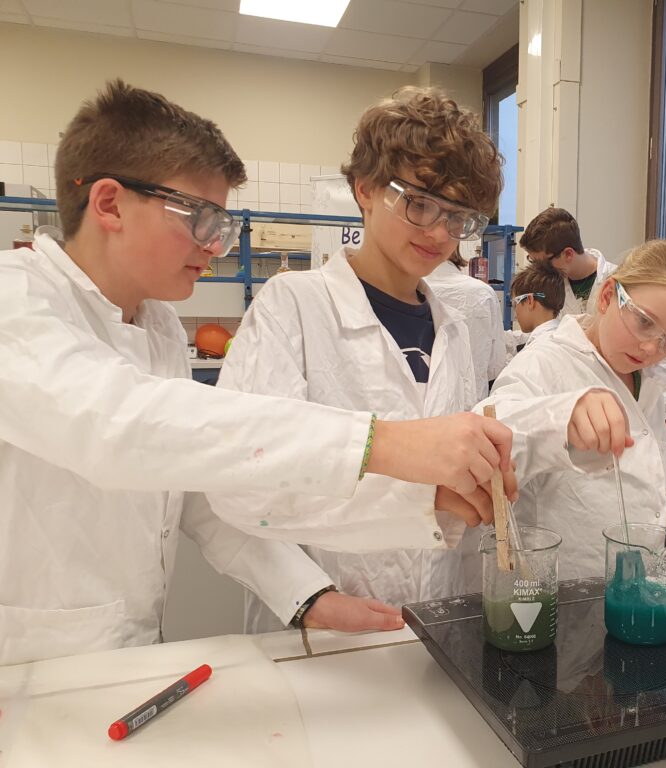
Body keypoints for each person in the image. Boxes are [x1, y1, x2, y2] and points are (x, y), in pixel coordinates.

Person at [0, 81, 514, 665]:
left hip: (125, 654)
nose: (215, 246)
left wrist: (305, 593)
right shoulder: (14, 297)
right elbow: (114, 425)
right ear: (110, 203)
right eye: (199, 218)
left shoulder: (157, 326)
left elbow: (202, 486)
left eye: (220, 223)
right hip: (24, 666)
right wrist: (383, 442)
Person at [209, 87, 509, 631]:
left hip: (429, 624)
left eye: (459, 217)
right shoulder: (292, 306)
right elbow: (242, 478)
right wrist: (306, 597)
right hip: (319, 626)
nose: (439, 233)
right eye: (420, 203)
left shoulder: (454, 329)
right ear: (365, 189)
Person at [476, 239, 666, 580]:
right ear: (607, 297)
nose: (651, 347)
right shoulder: (546, 361)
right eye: (644, 321)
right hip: (559, 589)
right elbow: (485, 433)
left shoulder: (646, 379)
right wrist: (560, 416)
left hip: (632, 587)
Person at [521, 207, 666, 448]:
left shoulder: (625, 280)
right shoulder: (554, 288)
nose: (539, 270)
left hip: (631, 391)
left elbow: (665, 342)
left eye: (542, 262)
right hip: (577, 398)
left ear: (567, 254)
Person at [424, 246, 506, 401]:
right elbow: (495, 365)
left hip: (420, 407)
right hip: (473, 403)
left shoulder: (408, 290)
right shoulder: (484, 292)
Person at [509, 263, 565, 345]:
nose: (515, 315)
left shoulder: (535, 350)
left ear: (529, 301)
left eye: (515, 304)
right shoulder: (564, 337)